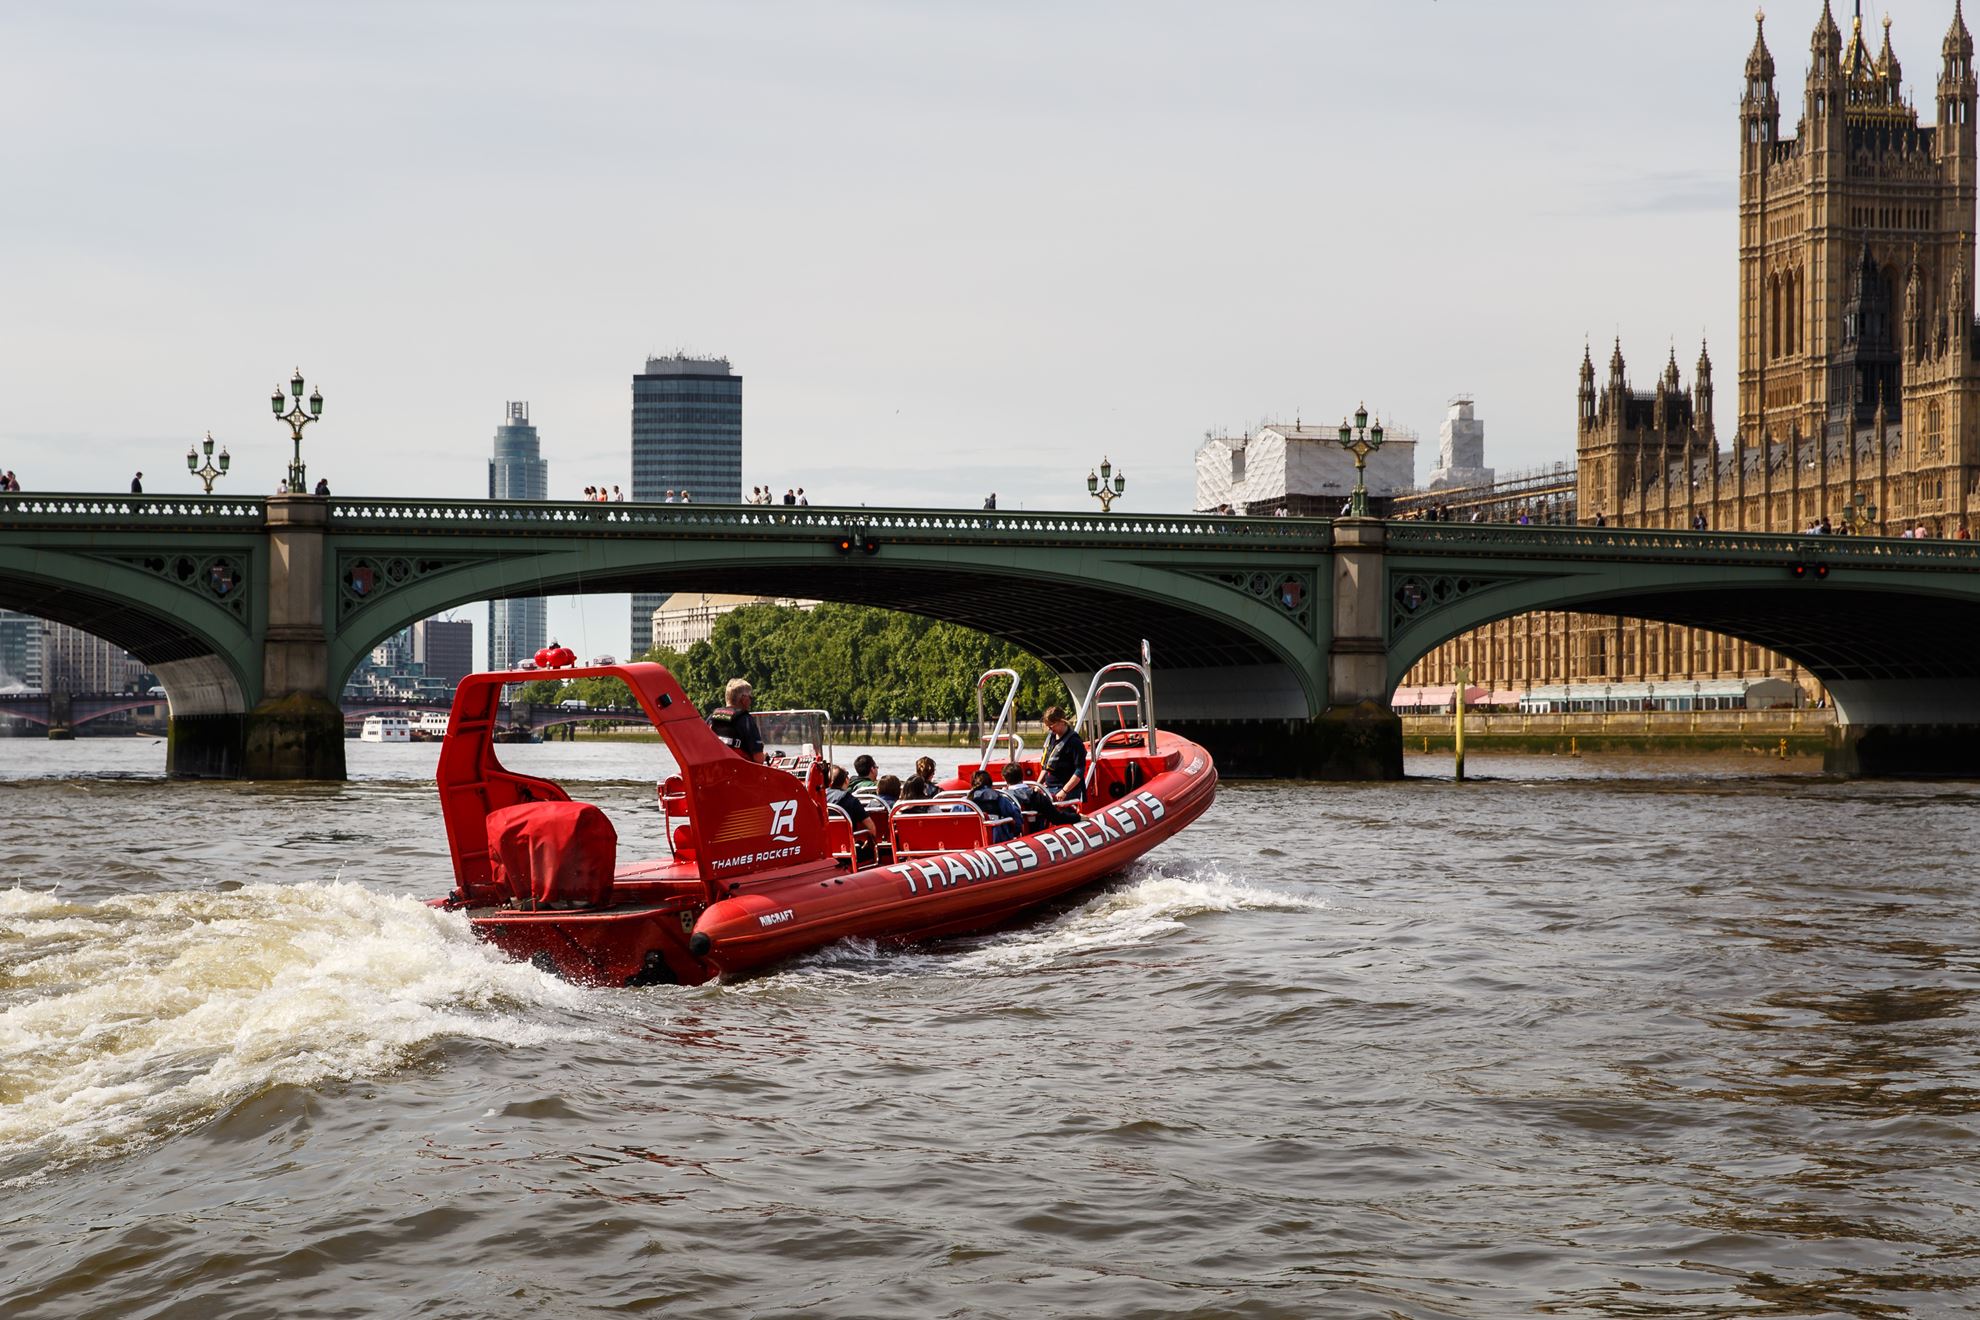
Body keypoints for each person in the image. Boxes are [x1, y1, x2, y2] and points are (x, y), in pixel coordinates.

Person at [1000, 762, 1078, 831]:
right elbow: (1056, 818)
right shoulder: (1037, 796)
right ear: (1022, 777)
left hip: (1010, 837)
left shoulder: (1002, 798)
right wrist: (1077, 817)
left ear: (1005, 779)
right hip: (1036, 834)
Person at [708, 678, 765, 762]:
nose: (750, 701)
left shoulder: (712, 718)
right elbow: (758, 758)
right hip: (741, 771)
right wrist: (765, 756)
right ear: (744, 699)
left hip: (716, 769)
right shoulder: (746, 720)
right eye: (750, 697)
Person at [825, 765, 877, 858]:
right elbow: (872, 829)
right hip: (848, 852)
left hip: (826, 850)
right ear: (846, 780)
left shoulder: (820, 798)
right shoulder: (851, 800)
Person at [1039, 706, 1086, 803]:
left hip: (1065, 789)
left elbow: (1079, 770)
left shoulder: (1074, 742)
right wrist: (1037, 786)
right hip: (1049, 787)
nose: (1050, 730)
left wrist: (1064, 791)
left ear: (1062, 721)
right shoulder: (1051, 738)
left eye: (1051, 726)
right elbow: (1045, 767)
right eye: (1048, 727)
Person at [966, 770, 1023, 843]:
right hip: (997, 842)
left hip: (971, 843)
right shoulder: (1000, 799)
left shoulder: (965, 802)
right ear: (990, 783)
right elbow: (1017, 819)